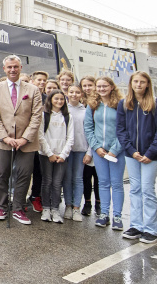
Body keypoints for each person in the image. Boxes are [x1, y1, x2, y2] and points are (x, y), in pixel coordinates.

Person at [0, 54, 43, 225]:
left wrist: (24, 138)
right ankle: (1, 207)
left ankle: (19, 208)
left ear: (20, 68)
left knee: (24, 174)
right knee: (2, 172)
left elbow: (36, 116)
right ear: (4, 69)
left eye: (16, 67)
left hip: (27, 142)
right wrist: (5, 137)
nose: (12, 70)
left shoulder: (33, 90)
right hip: (2, 140)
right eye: (9, 67)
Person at [116, 72, 157, 244]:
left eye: (142, 82)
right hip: (132, 155)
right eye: (135, 81)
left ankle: (151, 229)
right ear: (131, 83)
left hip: (150, 155)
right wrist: (131, 151)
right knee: (135, 189)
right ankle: (136, 226)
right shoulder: (124, 104)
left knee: (147, 190)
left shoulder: (156, 104)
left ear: (147, 84)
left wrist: (150, 153)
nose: (138, 84)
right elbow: (121, 131)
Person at [84, 76, 125, 231]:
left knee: (117, 184)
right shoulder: (93, 105)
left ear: (111, 87)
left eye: (104, 86)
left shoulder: (120, 105)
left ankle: (117, 216)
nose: (101, 89)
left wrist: (115, 150)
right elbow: (88, 128)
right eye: (99, 86)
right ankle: (104, 215)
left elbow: (124, 129)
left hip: (117, 152)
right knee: (103, 183)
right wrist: (96, 147)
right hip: (99, 152)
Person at [38, 90, 74, 224]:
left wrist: (63, 154)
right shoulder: (43, 115)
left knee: (57, 183)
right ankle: (46, 208)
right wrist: (49, 153)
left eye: (62, 99)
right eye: (56, 99)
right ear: (50, 100)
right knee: (47, 181)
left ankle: (55, 209)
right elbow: (40, 136)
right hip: (46, 155)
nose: (59, 101)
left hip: (61, 156)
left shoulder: (68, 116)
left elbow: (70, 138)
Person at [62, 84, 90, 222]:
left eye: (77, 92)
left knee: (78, 178)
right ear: (67, 93)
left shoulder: (85, 111)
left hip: (80, 149)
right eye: (71, 91)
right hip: (66, 150)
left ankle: (76, 207)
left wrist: (89, 151)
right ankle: (67, 205)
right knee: (67, 178)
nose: (74, 94)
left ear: (81, 95)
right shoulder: (63, 109)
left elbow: (90, 131)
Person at [28, 70, 50, 212]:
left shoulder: (48, 99)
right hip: (28, 138)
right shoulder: (27, 95)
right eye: (39, 80)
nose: (41, 83)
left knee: (39, 170)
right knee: (23, 171)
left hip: (43, 139)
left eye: (44, 81)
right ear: (32, 81)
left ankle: (36, 196)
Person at [79, 76, 100, 216]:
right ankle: (87, 203)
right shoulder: (79, 102)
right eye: (84, 86)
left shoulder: (99, 103)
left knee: (98, 177)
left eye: (90, 85)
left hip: (96, 144)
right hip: (83, 145)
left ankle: (99, 203)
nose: (87, 88)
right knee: (85, 177)